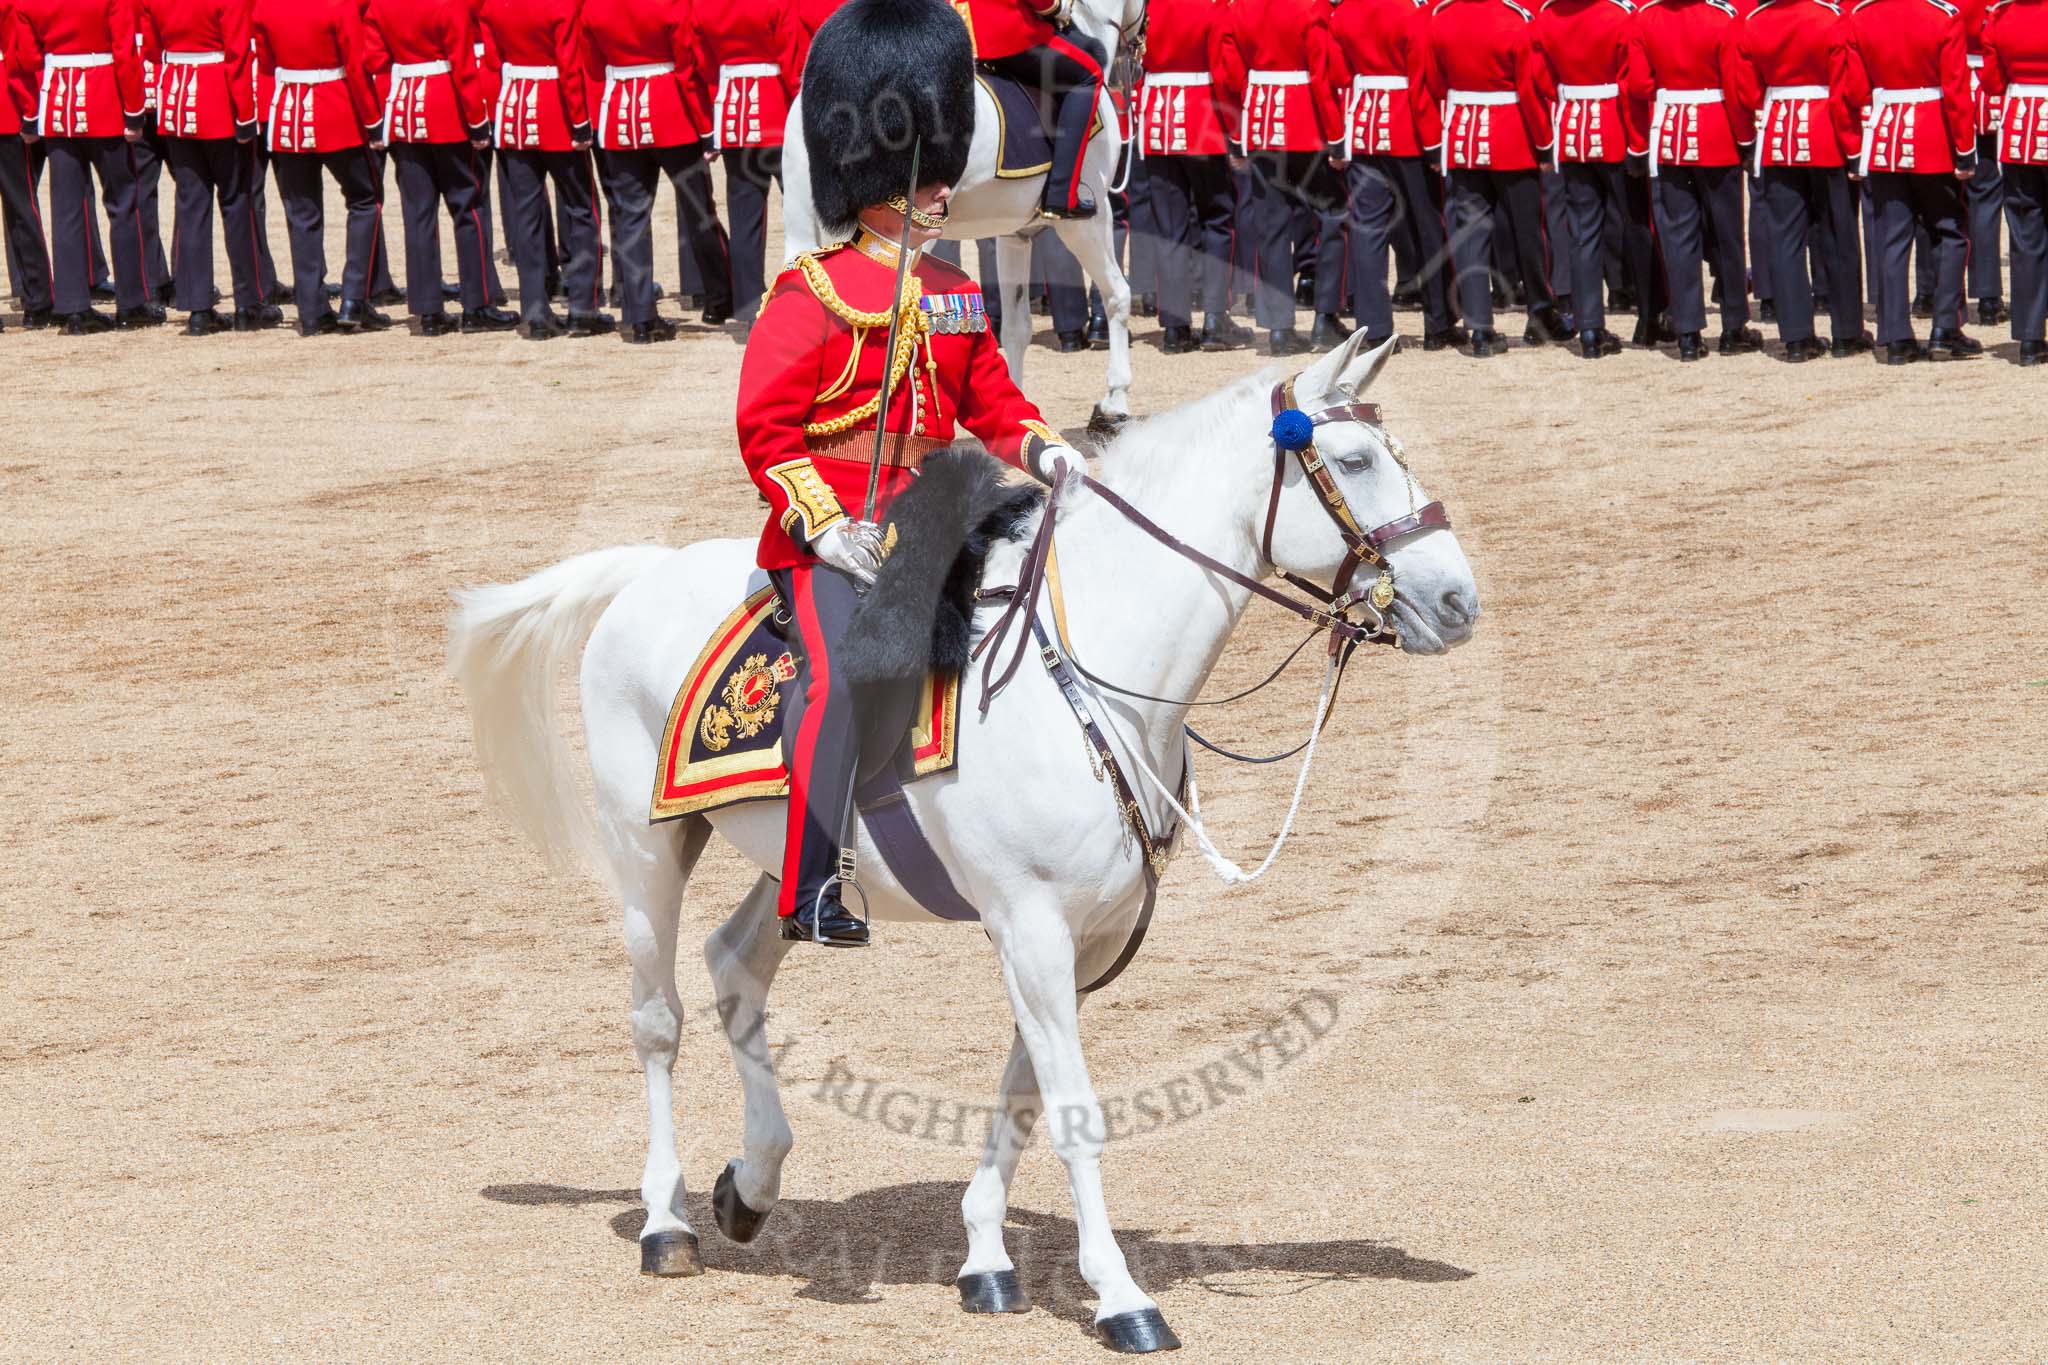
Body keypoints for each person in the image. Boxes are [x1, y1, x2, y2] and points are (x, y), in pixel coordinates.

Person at [740, 0, 1079, 945]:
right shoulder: (808, 295)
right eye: (927, 177)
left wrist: (1045, 450)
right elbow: (766, 435)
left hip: (929, 511)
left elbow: (994, 406)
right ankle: (810, 884)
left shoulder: (956, 296)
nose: (943, 192)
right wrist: (821, 524)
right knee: (843, 678)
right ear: (877, 179)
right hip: (829, 532)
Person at [1423, 0, 1570, 356]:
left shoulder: (1442, 18)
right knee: (1529, 233)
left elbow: (1435, 82)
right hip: (1512, 137)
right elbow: (1529, 88)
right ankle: (1539, 311)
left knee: (1471, 234)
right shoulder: (1516, 20)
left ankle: (1479, 327)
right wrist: (1545, 143)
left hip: (1464, 136)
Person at [581, 0, 732, 343]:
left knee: (630, 218)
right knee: (699, 210)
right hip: (672, 112)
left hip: (620, 114)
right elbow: (687, 65)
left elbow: (592, 70)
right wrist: (706, 124)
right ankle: (718, 299)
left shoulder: (592, 7)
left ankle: (640, 317)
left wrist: (596, 118)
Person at [364, 0, 516, 334]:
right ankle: (477, 305)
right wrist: (478, 121)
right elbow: (462, 64)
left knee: (418, 213)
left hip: (405, 111)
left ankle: (428, 310)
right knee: (469, 208)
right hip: (448, 111)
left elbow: (375, 59)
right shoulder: (449, 5)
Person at [1843, 0, 1983, 360]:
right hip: (1934, 133)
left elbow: (1857, 88)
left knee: (1891, 238)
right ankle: (1945, 328)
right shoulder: (1942, 15)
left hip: (1887, 133)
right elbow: (1955, 87)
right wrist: (1965, 147)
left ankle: (1895, 336)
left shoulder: (1862, 15)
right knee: (1950, 232)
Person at [1730, 0, 1870, 358]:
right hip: (1827, 131)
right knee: (1839, 234)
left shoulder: (1754, 22)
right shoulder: (1831, 18)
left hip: (1778, 132)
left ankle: (1795, 336)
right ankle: (1846, 331)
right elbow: (1846, 88)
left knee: (1785, 237)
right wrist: (1853, 146)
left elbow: (1746, 90)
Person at [11, 0, 158, 332]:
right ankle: (132, 302)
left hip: (58, 104)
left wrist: (33, 113)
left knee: (66, 210)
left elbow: (25, 59)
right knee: (124, 204)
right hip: (104, 98)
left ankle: (73, 306)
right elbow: (124, 50)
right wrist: (133, 109)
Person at [137, 0, 281, 334]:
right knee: (237, 202)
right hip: (219, 98)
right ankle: (249, 302)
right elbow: (238, 52)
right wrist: (246, 115)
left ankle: (197, 306)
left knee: (191, 204)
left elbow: (152, 47)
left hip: (177, 97)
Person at [1633, 0, 1764, 359]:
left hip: (1670, 131)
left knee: (1678, 235)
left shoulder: (1647, 18)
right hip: (1716, 130)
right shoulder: (1721, 17)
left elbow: (1640, 83)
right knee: (1726, 235)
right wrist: (1745, 140)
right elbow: (1736, 85)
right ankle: (1733, 325)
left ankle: (1688, 331)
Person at [1329, 0, 1462, 352]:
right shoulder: (1412, 12)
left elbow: (1339, 78)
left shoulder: (1344, 12)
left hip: (1364, 128)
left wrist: (1340, 138)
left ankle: (1374, 329)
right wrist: (1434, 143)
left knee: (1368, 229)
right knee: (1428, 227)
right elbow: (1421, 83)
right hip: (1408, 131)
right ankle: (1438, 323)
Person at [1217, 0, 1349, 353]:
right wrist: (1336, 138)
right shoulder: (1312, 6)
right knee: (1333, 217)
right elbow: (1322, 74)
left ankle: (1278, 327)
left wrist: (1240, 128)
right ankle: (1325, 318)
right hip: (1307, 123)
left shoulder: (1239, 8)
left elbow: (1230, 73)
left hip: (1261, 123)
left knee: (1271, 227)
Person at [251, 0, 390, 335]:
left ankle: (311, 310)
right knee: (365, 200)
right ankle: (354, 298)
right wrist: (373, 120)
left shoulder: (266, 7)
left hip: (288, 115)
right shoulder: (338, 5)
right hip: (337, 109)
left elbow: (266, 68)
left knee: (301, 214)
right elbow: (356, 67)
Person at [477, 0, 614, 338]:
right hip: (557, 110)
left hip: (515, 109)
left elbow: (494, 61)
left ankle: (535, 310)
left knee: (526, 214)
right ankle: (584, 307)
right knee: (583, 208)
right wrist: (580, 119)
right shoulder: (561, 6)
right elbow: (568, 64)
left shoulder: (495, 6)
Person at [1534, 0, 1660, 356]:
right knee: (1637, 225)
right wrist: (1638, 143)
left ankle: (1590, 328)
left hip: (1574, 128)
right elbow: (1634, 83)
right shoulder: (1619, 15)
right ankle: (1649, 318)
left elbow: (1542, 79)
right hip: (1616, 127)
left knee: (1582, 232)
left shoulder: (1548, 17)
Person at [1136, 0, 1248, 352]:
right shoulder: (1211, 6)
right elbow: (1225, 70)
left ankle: (1175, 326)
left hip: (1156, 120)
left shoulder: (1147, 6)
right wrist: (1235, 132)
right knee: (1217, 219)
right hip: (1203, 119)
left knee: (1169, 229)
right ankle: (1214, 318)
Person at [695, 0, 800, 336]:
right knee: (800, 213)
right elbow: (791, 59)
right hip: (777, 113)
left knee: (744, 218)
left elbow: (703, 65)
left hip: (733, 115)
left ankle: (748, 305)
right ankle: (807, 297)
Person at [959, 0, 1106, 218]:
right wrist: (1058, 6)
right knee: (1089, 75)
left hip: (961, 28)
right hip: (1004, 30)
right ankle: (1062, 195)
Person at [1982, 0, 2048, 361]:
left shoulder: (2000, 15)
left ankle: (2029, 336)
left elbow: (1992, 81)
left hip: (2021, 130)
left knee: (2026, 235)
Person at [0, 0, 55, 329]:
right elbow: (20, 59)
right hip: (5, 112)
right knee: (23, 207)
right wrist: (30, 112)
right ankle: (38, 299)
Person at [1962, 0, 2008, 322]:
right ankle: (1989, 296)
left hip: (1951, 87)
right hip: (1992, 88)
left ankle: (1929, 293)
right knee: (1987, 196)